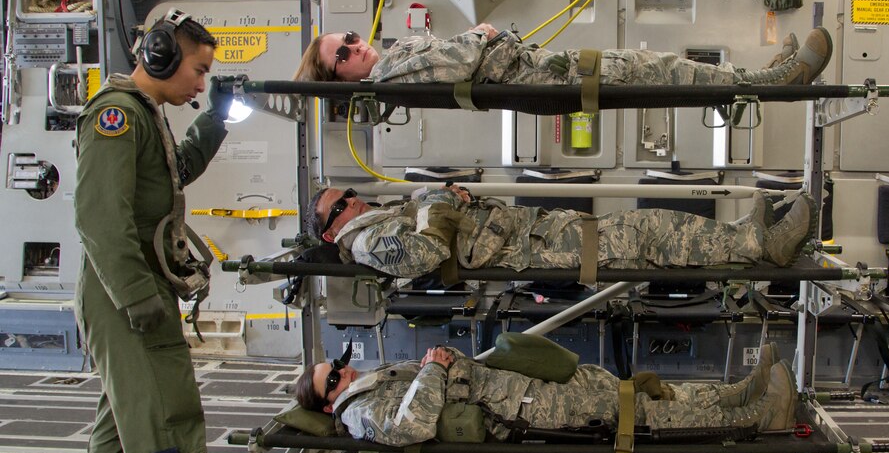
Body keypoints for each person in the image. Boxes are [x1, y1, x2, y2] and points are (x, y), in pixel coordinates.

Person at [74, 10, 255, 453]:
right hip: (124, 291)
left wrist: (220, 115)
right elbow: (100, 219)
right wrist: (138, 298)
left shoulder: (146, 117)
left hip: (123, 290)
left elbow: (176, 172)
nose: (202, 83)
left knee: (119, 416)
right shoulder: (116, 116)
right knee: (166, 420)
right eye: (199, 71)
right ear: (157, 55)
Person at [294, 342, 798, 448]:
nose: (345, 371)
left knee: (631, 392)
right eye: (332, 379)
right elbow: (411, 427)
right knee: (636, 416)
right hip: (520, 410)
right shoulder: (360, 413)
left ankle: (731, 397)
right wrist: (432, 370)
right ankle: (759, 419)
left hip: (518, 386)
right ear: (327, 403)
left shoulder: (372, 382)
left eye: (337, 365)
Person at [303, 184, 818, 279]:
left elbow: (435, 227)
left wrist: (445, 201)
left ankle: (744, 238)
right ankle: (759, 247)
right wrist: (438, 200)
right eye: (338, 208)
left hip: (535, 233)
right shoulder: (367, 241)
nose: (351, 201)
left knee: (647, 229)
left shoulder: (374, 222)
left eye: (345, 195)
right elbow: (424, 254)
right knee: (649, 232)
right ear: (331, 234)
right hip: (532, 249)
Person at [291, 23, 833, 88]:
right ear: (340, 76)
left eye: (351, 39)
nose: (357, 46)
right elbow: (456, 64)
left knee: (662, 64)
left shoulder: (388, 63)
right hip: (542, 77)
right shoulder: (388, 73)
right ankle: (770, 81)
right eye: (344, 54)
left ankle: (757, 75)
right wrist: (481, 34)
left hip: (540, 67)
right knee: (662, 67)